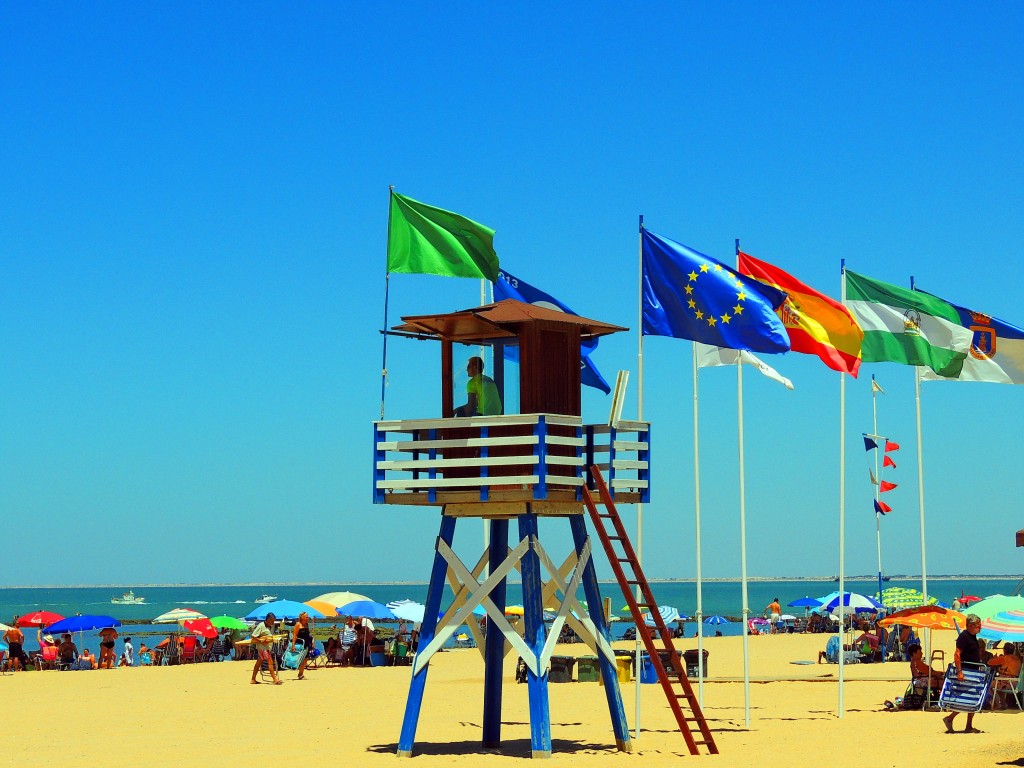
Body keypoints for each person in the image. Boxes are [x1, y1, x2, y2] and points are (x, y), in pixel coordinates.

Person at [943, 614, 983, 733]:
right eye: (977, 625)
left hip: (974, 672)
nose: (979, 627)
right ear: (970, 625)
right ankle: (950, 718)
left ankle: (968, 726)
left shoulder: (972, 636)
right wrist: (959, 671)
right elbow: (957, 654)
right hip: (966, 672)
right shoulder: (964, 637)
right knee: (965, 698)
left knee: (973, 698)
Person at [987, 642, 1022, 709]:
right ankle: (1003, 703)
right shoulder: (1017, 659)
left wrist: (995, 658)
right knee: (998, 684)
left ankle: (997, 703)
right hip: (1016, 682)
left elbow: (989, 662)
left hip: (1008, 683)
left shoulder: (1005, 658)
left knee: (988, 685)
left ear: (1004, 650)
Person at [250, 612, 282, 685]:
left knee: (258, 663)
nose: (273, 623)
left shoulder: (270, 626)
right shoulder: (261, 626)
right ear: (268, 620)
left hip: (267, 647)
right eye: (272, 621)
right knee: (270, 662)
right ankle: (275, 679)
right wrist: (260, 640)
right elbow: (253, 636)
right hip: (262, 648)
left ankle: (253, 679)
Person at [292, 611, 313, 680]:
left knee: (306, 659)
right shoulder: (298, 624)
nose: (307, 618)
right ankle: (300, 674)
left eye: (308, 617)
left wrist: (312, 642)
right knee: (302, 659)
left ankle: (300, 674)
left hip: (307, 643)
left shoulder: (307, 624)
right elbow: (294, 635)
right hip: (300, 644)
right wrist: (293, 645)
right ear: (302, 617)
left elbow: (308, 634)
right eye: (306, 617)